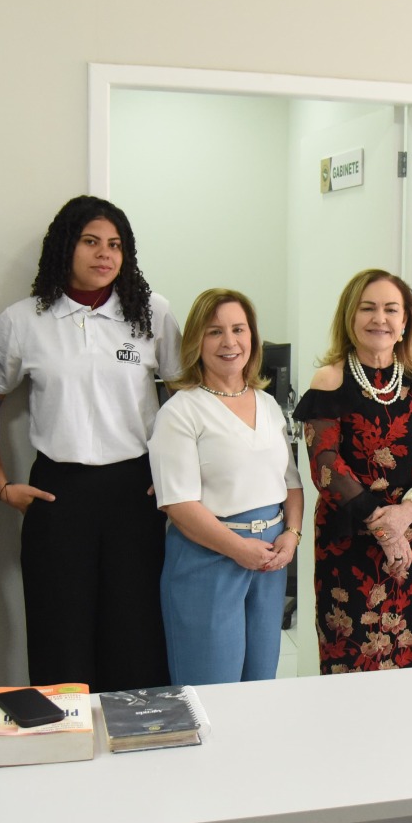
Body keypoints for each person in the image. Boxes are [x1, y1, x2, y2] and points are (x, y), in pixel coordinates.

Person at [0, 196, 180, 691]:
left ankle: (134, 757)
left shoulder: (151, 313)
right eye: (91, 242)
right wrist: (2, 484)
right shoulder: (22, 321)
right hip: (58, 493)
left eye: (115, 245)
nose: (105, 254)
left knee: (136, 636)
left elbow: (189, 401)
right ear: (65, 247)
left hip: (136, 493)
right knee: (60, 638)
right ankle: (65, 755)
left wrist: (179, 483)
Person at [293, 269, 412, 672]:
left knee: (411, 653)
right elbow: (325, 465)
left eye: (390, 309)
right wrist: (383, 527)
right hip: (348, 543)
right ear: (350, 317)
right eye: (367, 308)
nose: (379, 318)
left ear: (404, 322)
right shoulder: (328, 380)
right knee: (349, 658)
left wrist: (406, 514)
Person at [148, 289, 303, 684]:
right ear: (196, 341)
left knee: (260, 680)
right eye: (215, 332)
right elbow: (179, 504)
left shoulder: (268, 404)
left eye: (239, 329)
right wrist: (239, 549)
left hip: (268, 560)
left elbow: (291, 483)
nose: (230, 342)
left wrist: (293, 534)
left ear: (252, 336)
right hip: (209, 559)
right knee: (211, 688)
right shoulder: (181, 411)